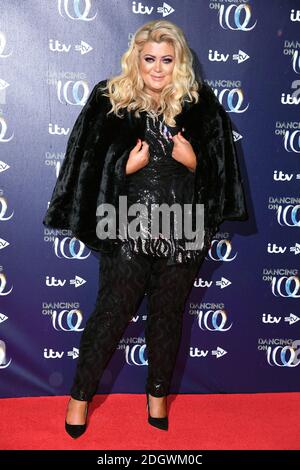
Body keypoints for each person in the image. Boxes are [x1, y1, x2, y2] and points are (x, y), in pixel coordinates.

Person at [43, 19, 248, 438]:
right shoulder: (109, 98)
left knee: (168, 318)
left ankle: (157, 396)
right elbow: (84, 166)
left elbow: (222, 175)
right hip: (125, 223)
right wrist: (123, 167)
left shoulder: (200, 103)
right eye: (150, 59)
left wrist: (194, 162)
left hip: (183, 225)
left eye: (167, 60)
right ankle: (79, 397)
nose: (158, 69)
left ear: (180, 62)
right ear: (136, 59)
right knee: (111, 315)